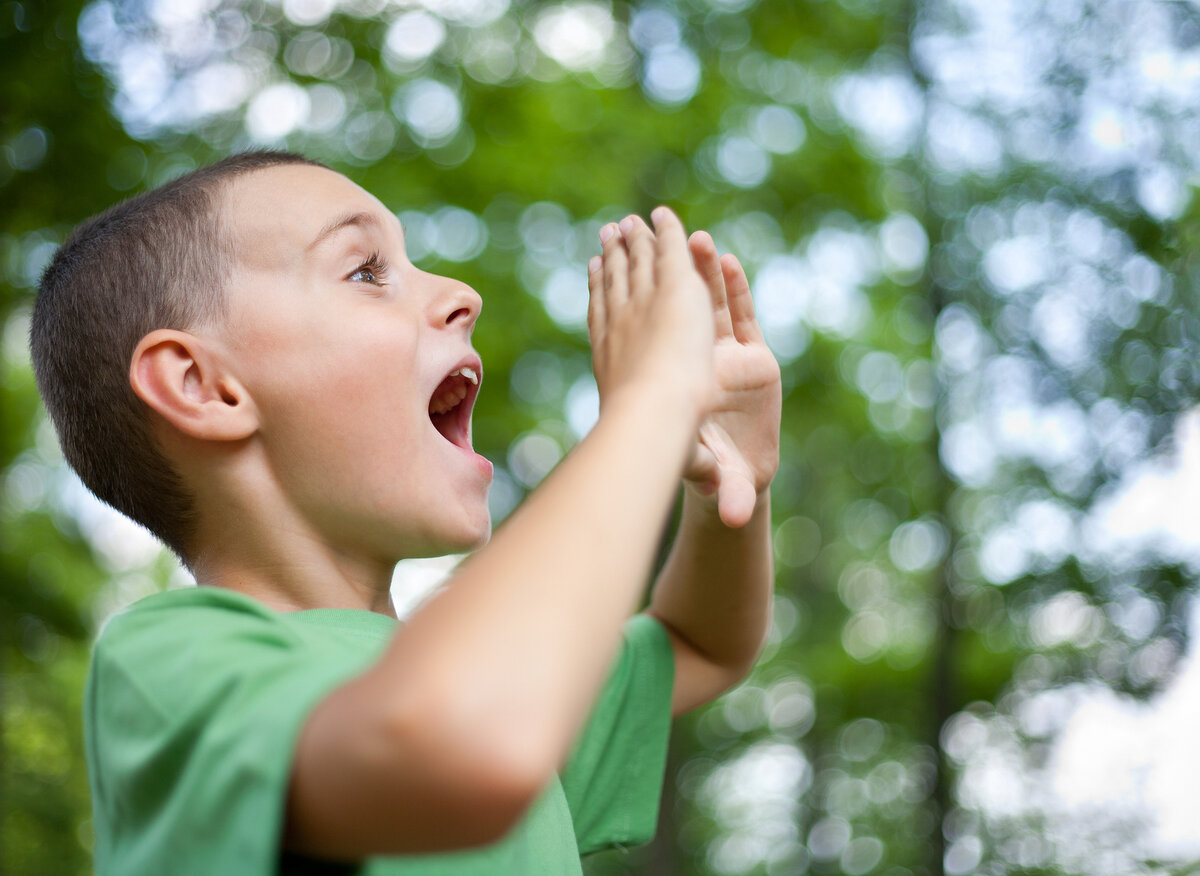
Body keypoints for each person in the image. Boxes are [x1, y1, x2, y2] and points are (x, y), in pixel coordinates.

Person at [30, 151, 781, 874]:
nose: (463, 294)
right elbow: (459, 742)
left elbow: (699, 645)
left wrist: (722, 495)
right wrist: (650, 405)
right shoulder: (171, 664)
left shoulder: (492, 668)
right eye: (365, 270)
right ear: (204, 386)